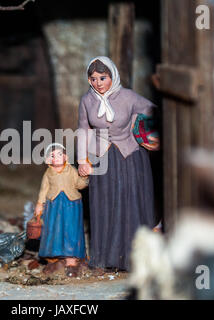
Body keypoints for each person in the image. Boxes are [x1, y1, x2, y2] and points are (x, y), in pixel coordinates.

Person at [77, 56, 157, 272]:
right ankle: (106, 256)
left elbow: (153, 110)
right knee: (104, 203)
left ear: (112, 76)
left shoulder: (128, 97)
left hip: (129, 156)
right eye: (93, 79)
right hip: (102, 156)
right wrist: (82, 159)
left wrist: (140, 127)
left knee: (130, 201)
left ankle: (135, 257)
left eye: (103, 77)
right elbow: (83, 129)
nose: (98, 83)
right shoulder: (87, 101)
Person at [34, 143, 88, 277]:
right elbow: (43, 190)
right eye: (53, 155)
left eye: (59, 154)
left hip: (71, 205)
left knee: (71, 230)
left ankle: (71, 261)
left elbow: (80, 185)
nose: (56, 157)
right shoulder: (48, 173)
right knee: (54, 230)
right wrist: (40, 203)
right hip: (54, 205)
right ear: (48, 160)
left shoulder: (71, 170)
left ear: (66, 157)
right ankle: (55, 259)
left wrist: (85, 177)